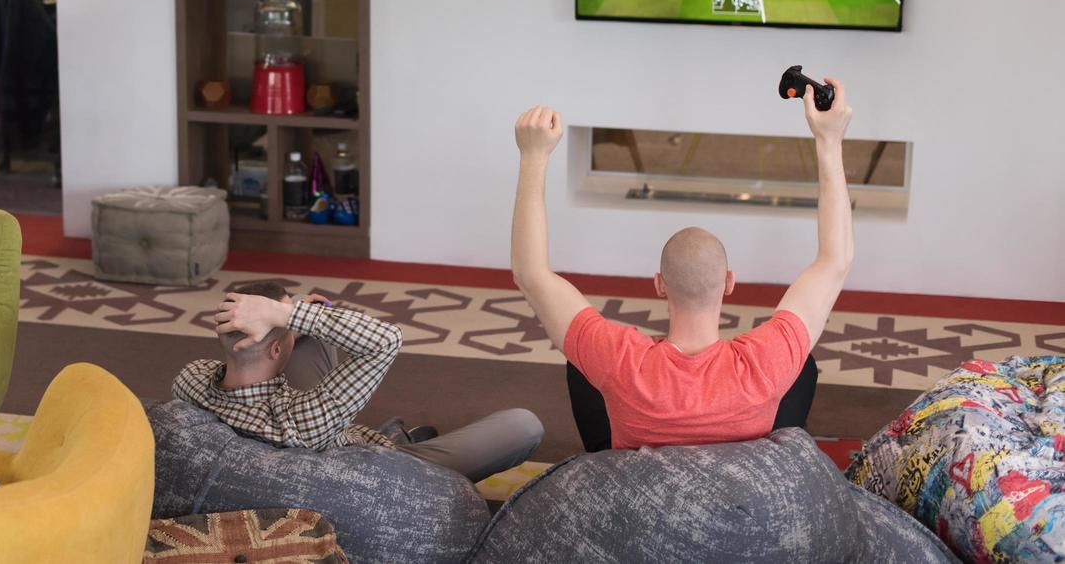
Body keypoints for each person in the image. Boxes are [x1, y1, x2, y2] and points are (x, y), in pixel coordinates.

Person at [508, 79, 852, 452]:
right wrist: (829, 140)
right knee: (800, 366)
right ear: (729, 283)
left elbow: (531, 275)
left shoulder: (621, 361)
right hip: (737, 499)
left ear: (659, 284)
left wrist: (533, 157)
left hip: (644, 490)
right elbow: (835, 260)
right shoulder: (765, 360)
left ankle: (605, 462)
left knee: (583, 365)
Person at [173, 281, 543, 482]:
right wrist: (288, 314)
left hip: (291, 423)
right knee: (524, 426)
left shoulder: (190, 377)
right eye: (283, 331)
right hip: (376, 468)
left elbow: (282, 342)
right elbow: (385, 340)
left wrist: (292, 314)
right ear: (273, 351)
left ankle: (294, 323)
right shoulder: (303, 420)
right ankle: (408, 444)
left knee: (313, 326)